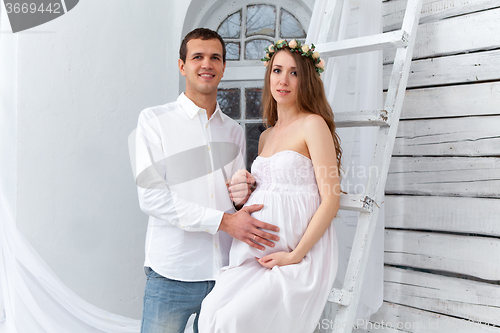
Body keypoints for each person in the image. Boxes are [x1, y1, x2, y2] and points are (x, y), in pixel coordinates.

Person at [132, 28, 280, 333]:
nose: (207, 64)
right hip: (172, 272)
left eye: (215, 57)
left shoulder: (234, 131)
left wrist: (245, 194)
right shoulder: (154, 121)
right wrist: (225, 222)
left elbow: (235, 198)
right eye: (197, 56)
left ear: (224, 67)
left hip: (224, 274)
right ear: (182, 65)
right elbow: (152, 197)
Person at [198, 39, 342, 333]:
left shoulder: (313, 125)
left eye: (294, 73)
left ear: (307, 79)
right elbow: (271, 189)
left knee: (231, 320)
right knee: (209, 313)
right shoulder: (266, 136)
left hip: (298, 255)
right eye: (277, 70)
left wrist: (294, 256)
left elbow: (331, 200)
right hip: (253, 253)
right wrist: (245, 189)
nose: (283, 80)